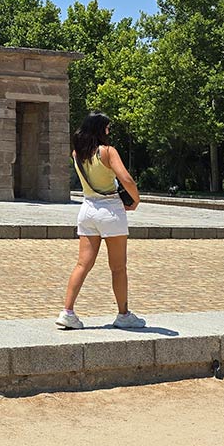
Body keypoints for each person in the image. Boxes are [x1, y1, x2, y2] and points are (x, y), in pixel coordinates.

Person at [56, 111, 144, 330]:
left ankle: (67, 312)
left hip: (87, 210)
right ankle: (123, 315)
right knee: (118, 267)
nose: (109, 130)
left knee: (82, 264)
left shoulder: (77, 154)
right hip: (110, 211)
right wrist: (135, 199)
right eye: (107, 127)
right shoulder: (107, 151)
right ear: (99, 128)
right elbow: (127, 179)